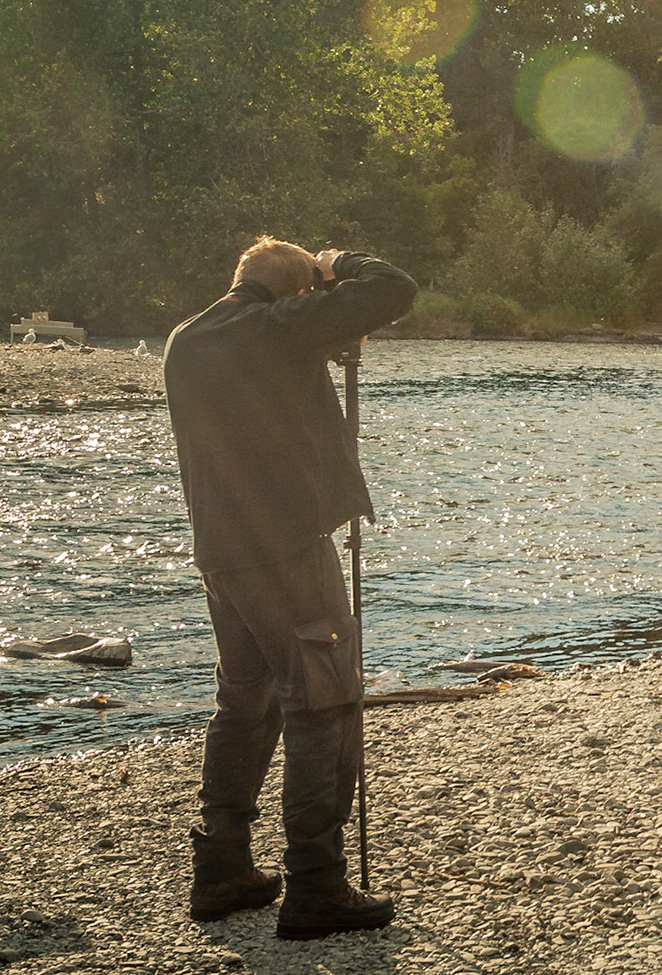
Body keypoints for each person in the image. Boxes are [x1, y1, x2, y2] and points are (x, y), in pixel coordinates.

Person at [163, 236, 415, 939]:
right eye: (312, 293)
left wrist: (319, 319)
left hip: (222, 552)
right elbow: (395, 287)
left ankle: (221, 869)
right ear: (298, 294)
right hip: (285, 550)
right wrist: (342, 266)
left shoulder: (189, 338)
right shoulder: (278, 329)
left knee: (245, 703)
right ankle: (316, 886)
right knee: (324, 703)